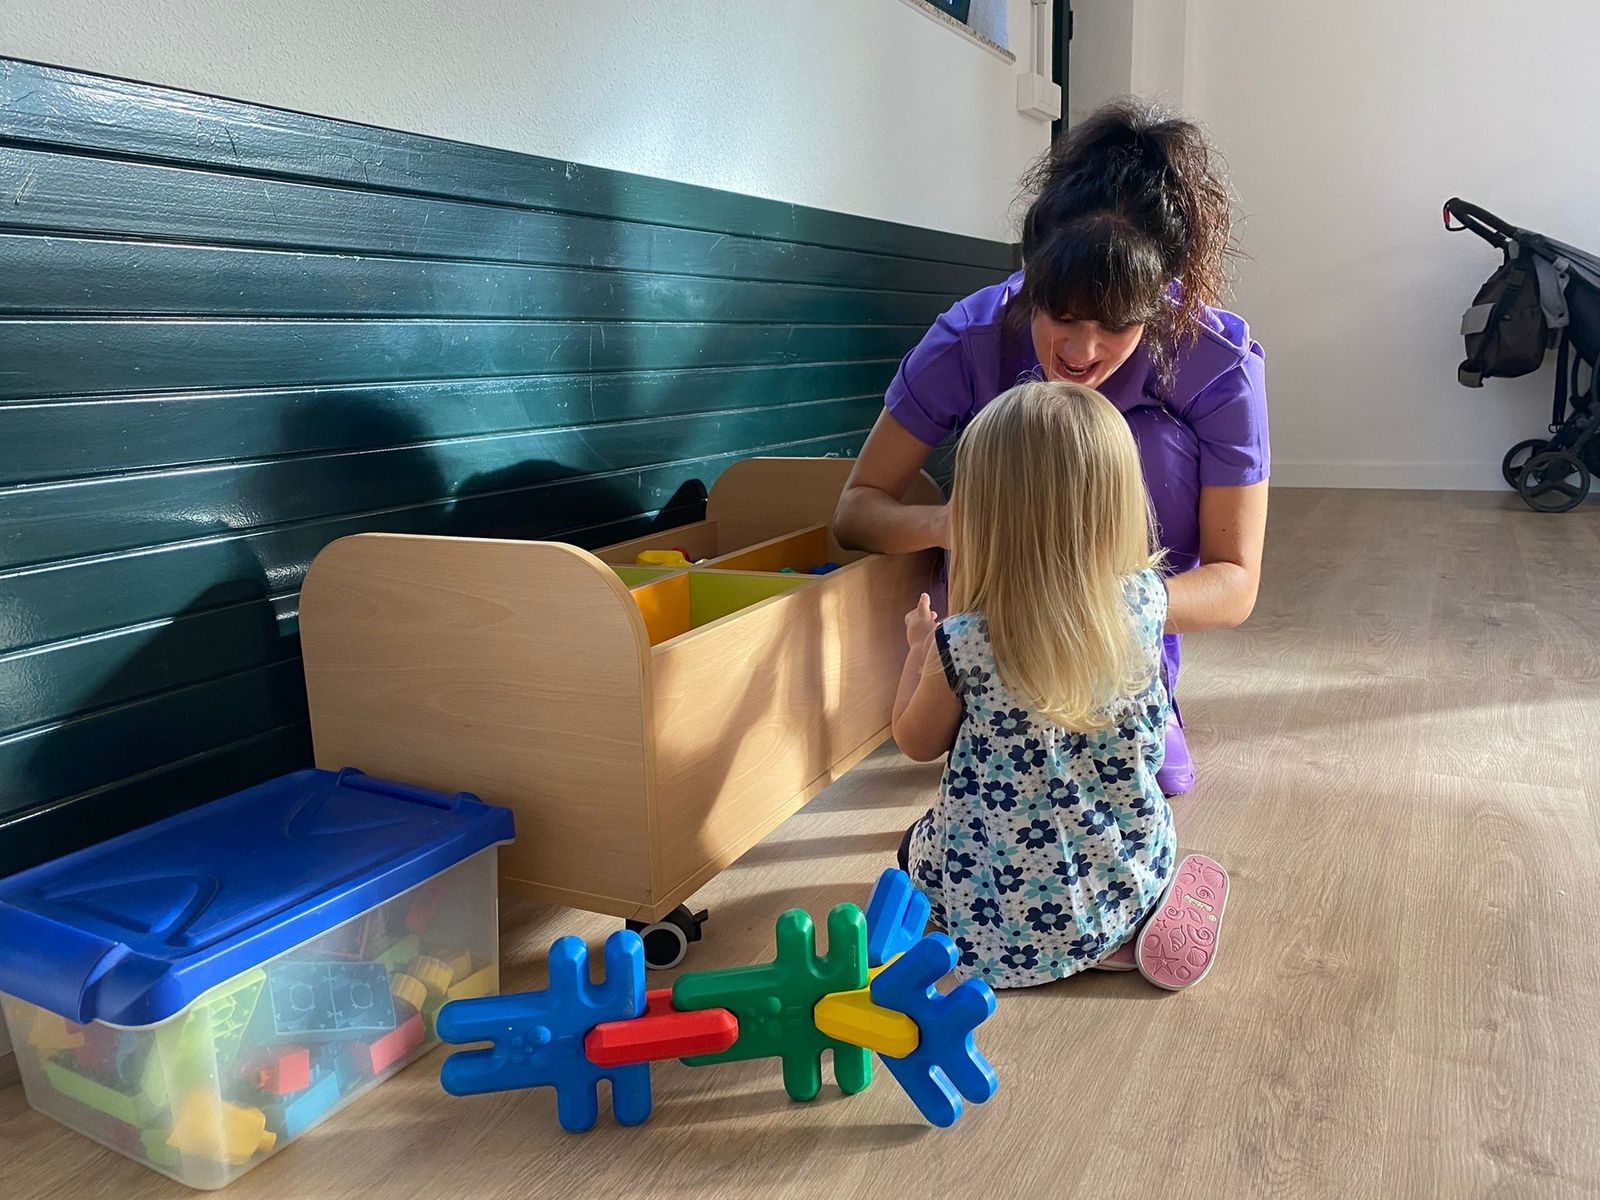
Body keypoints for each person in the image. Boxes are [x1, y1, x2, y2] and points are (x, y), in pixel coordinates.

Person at [834, 99, 1269, 797]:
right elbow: (856, 510)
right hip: (991, 634)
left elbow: (1235, 579)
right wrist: (957, 525)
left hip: (1121, 649)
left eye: (1115, 323)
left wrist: (1104, 608)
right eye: (1060, 314)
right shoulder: (971, 337)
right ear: (1032, 275)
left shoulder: (1216, 363)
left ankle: (1143, 694)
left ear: (1159, 298)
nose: (1081, 350)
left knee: (1135, 444)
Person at [889, 381, 1226, 990]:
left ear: (982, 517)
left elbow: (913, 741)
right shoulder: (1148, 602)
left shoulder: (964, 643)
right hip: (1126, 874)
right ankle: (1120, 932)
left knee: (914, 845)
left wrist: (918, 649)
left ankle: (1055, 938)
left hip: (1006, 921)